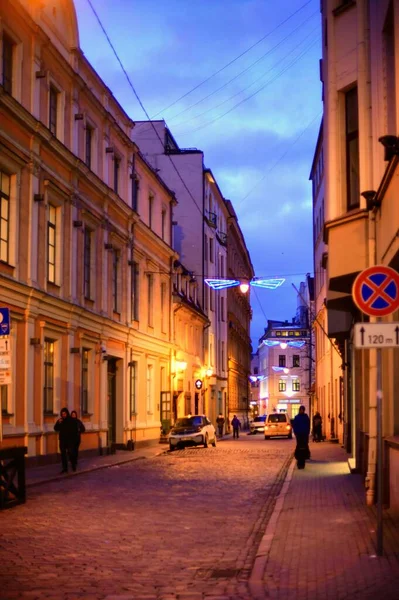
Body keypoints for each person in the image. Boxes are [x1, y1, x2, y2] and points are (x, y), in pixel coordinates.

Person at [54, 407, 79, 473]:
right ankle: (65, 468)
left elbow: (75, 430)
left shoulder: (71, 420)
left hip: (70, 441)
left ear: (67, 413)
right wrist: (58, 423)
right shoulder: (60, 421)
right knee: (63, 455)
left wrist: (74, 440)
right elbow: (56, 428)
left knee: (71, 453)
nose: (63, 415)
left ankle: (73, 465)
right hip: (62, 440)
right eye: (62, 414)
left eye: (64, 414)